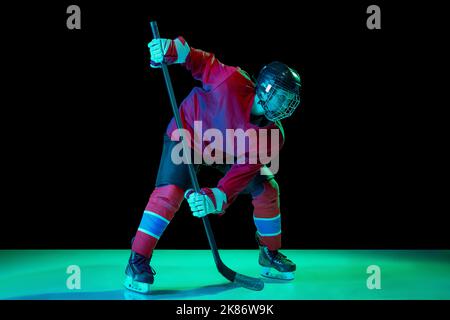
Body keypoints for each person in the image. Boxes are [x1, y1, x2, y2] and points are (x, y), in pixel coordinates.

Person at [124, 36, 301, 293]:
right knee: (169, 194)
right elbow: (201, 62)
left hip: (223, 153)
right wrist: (171, 50)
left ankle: (269, 253)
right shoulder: (232, 81)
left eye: (290, 100)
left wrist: (215, 197)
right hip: (189, 135)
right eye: (281, 97)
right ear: (264, 88)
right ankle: (137, 260)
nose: (285, 105)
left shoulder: (274, 136)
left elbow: (242, 173)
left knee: (267, 189)